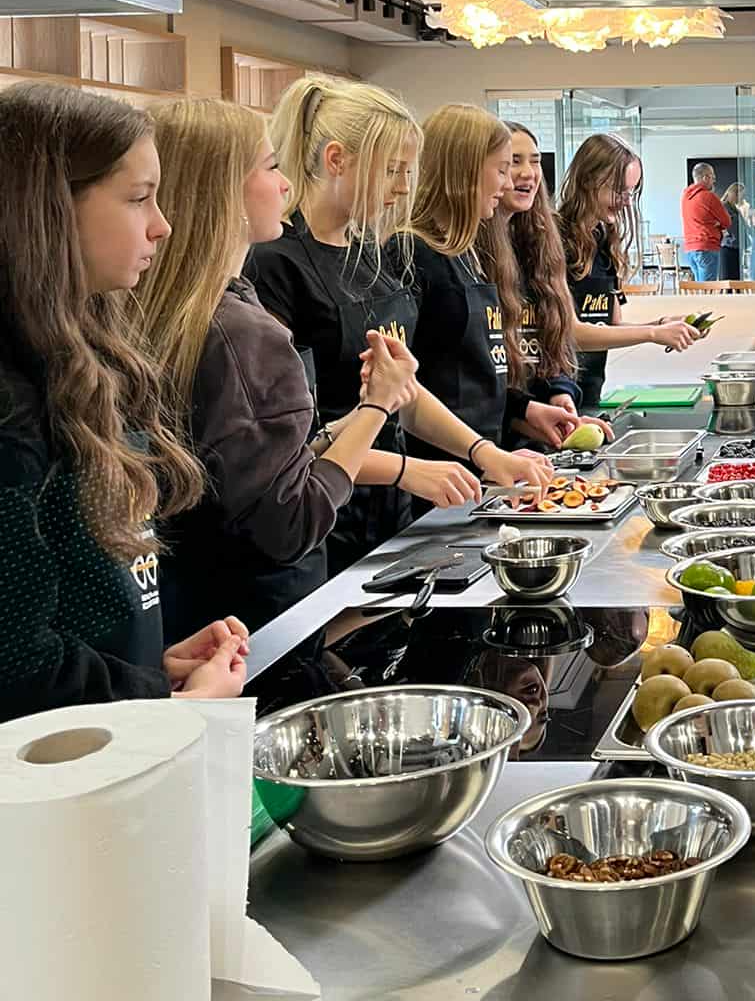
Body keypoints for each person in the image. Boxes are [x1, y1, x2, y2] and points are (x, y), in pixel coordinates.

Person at [0, 84, 248, 722]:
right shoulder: (12, 408)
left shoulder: (82, 359)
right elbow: (17, 663)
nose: (162, 225)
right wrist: (160, 703)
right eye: (139, 199)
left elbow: (73, 614)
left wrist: (149, 667)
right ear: (49, 211)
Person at [138, 100, 422, 639]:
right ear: (223, 192)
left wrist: (344, 426)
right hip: (255, 621)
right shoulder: (240, 331)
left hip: (197, 614)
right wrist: (376, 407)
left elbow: (260, 464)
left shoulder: (194, 309)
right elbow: (291, 521)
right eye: (271, 168)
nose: (286, 184)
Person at [249, 75, 551, 574]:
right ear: (337, 160)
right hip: (323, 524)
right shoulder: (276, 264)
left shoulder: (370, 255)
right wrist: (407, 470)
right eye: (391, 170)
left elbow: (403, 391)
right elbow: (291, 446)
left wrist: (482, 450)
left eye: (407, 172)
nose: (403, 188)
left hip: (391, 513)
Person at [407, 106, 587, 487]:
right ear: (463, 172)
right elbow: (415, 390)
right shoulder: (413, 254)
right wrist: (483, 451)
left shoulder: (466, 253)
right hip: (442, 475)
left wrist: (523, 412)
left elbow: (480, 372)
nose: (507, 185)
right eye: (502, 169)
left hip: (479, 467)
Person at [557, 133, 702, 413]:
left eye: (631, 192)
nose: (625, 201)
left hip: (589, 393)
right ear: (587, 180)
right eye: (619, 191)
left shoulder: (603, 242)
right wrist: (653, 333)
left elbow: (610, 326)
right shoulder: (555, 242)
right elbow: (570, 333)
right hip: (555, 397)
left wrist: (663, 325)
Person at [496, 119, 589, 446]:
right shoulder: (468, 256)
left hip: (535, 438)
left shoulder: (540, 245)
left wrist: (559, 393)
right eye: (513, 162)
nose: (527, 173)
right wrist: (522, 413)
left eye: (534, 162)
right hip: (490, 442)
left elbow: (552, 341)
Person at [681, 162, 732, 283]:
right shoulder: (709, 197)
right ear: (705, 177)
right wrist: (718, 224)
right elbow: (727, 221)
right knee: (708, 290)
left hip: (690, 249)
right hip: (706, 247)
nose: (714, 180)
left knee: (701, 288)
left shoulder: (685, 196)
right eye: (713, 177)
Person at [719, 179, 749, 281]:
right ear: (734, 194)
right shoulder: (723, 207)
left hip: (736, 247)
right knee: (728, 278)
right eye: (742, 195)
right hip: (728, 247)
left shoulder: (735, 209)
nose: (743, 198)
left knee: (736, 279)